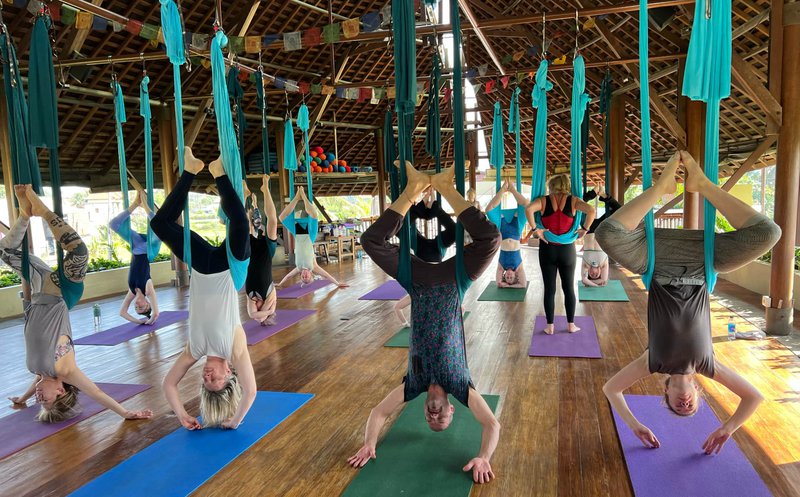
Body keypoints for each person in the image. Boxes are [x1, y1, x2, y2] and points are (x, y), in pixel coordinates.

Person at [598, 151, 780, 454]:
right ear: (697, 391)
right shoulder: (709, 366)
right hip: (702, 261)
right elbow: (754, 398)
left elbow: (611, 389)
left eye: (677, 408)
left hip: (655, 261)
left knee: (607, 233)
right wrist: (726, 428)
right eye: (691, 408)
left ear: (666, 393)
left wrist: (634, 424)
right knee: (768, 233)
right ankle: (704, 185)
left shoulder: (652, 362)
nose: (685, 405)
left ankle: (660, 189)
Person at [349, 162, 501, 484]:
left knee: (371, 242)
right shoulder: (461, 387)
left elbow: (378, 413)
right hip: (453, 281)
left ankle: (412, 190)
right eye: (441, 418)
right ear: (452, 410)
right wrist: (484, 456)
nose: (434, 415)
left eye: (430, 419)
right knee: (490, 239)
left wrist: (369, 443)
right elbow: (492, 425)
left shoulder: (413, 385)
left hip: (416, 281)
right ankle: (447, 188)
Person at [4, 185, 152, 423]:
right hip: (61, 294)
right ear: (61, 391)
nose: (39, 397)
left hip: (38, 289)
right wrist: (125, 413)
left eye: (37, 400)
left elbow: (39, 381)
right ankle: (41, 211)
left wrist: (22, 398)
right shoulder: (66, 371)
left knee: (6, 251)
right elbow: (96, 392)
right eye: (46, 399)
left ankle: (25, 214)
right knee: (78, 252)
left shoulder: (40, 371)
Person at [152, 147, 256, 430]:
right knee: (239, 223)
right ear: (229, 373)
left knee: (159, 224)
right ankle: (219, 173)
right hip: (229, 268)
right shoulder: (234, 350)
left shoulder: (194, 350)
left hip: (201, 267)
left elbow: (169, 384)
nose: (208, 377)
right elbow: (251, 392)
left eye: (205, 382)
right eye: (216, 381)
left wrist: (182, 415)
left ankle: (190, 170)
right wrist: (235, 422)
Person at [525, 174, 596, 333]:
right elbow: (591, 211)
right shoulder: (573, 201)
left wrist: (536, 230)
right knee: (568, 288)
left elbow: (528, 209)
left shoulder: (543, 201)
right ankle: (571, 325)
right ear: (566, 185)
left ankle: (550, 327)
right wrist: (584, 230)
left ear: (551, 185)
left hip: (547, 248)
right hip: (567, 251)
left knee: (549, 289)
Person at [276, 186, 348, 289]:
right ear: (311, 275)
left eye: (303, 277)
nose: (305, 276)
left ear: (300, 276)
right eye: (307, 277)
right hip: (310, 235)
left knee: (281, 217)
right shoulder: (313, 266)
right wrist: (337, 283)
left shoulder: (298, 268)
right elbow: (326, 275)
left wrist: (280, 284)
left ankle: (297, 198)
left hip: (298, 234)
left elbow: (288, 276)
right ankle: (304, 197)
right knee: (314, 214)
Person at [110, 190, 161, 325]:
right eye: (142, 307)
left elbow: (122, 313)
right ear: (148, 303)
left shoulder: (132, 292)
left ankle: (134, 204)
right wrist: (149, 320)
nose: (138, 305)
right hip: (149, 250)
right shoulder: (148, 290)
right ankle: (145, 207)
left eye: (136, 308)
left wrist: (138, 321)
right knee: (160, 229)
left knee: (113, 225)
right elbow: (156, 313)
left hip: (136, 247)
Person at [245, 175, 278, 326]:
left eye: (256, 309)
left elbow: (253, 315)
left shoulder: (250, 296)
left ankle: (244, 195)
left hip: (250, 251)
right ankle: (265, 189)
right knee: (272, 221)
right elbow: (258, 316)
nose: (256, 307)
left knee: (244, 224)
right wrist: (270, 312)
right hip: (266, 252)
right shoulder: (269, 295)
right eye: (261, 309)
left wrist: (262, 313)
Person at [486, 179, 528, 289]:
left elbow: (498, 283)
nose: (509, 276)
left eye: (507, 277)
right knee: (527, 205)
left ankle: (503, 190)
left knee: (488, 210)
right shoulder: (519, 267)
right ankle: (513, 190)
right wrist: (509, 286)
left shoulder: (501, 267)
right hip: (516, 229)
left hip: (502, 228)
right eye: (511, 278)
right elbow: (523, 285)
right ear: (515, 275)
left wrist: (503, 284)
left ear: (504, 275)